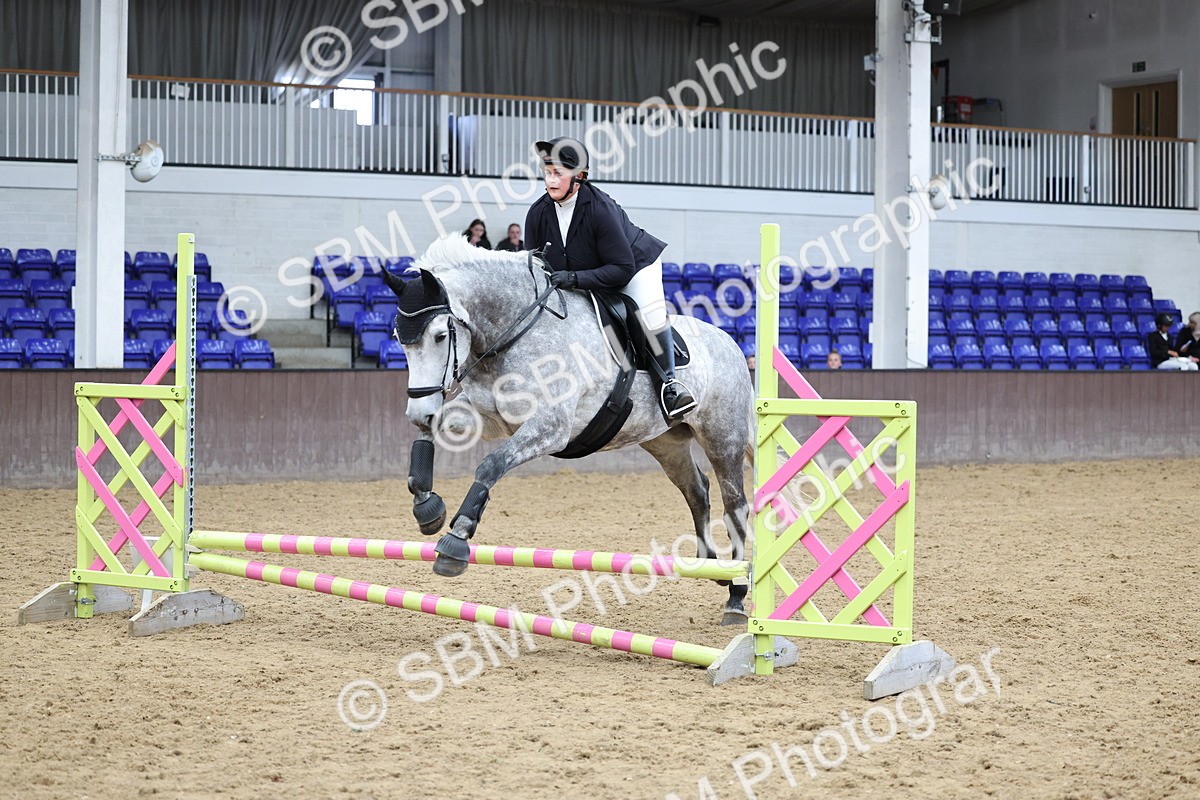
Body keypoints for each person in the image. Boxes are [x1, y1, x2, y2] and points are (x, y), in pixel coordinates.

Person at [524, 136, 696, 419]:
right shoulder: (538, 213)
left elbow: (621, 269)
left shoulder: (599, 209)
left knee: (649, 316)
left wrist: (575, 278)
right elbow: (532, 265)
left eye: (558, 173)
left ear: (579, 176)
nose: (551, 180)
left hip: (634, 267)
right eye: (547, 173)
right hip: (584, 273)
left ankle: (670, 386)